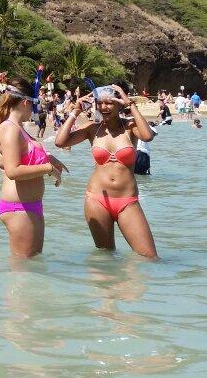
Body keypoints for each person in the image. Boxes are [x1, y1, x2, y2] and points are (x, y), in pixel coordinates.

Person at [55, 85, 158, 258]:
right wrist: (75, 111)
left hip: (127, 201)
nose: (104, 107)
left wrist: (131, 105)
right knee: (105, 257)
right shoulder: (92, 129)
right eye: (100, 103)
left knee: (149, 257)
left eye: (109, 103)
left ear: (119, 104)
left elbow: (148, 136)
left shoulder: (130, 127)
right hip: (97, 200)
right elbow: (60, 142)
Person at [0, 81, 69, 257]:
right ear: (25, 102)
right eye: (34, 105)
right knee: (23, 270)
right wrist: (48, 168)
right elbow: (13, 171)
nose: (34, 110)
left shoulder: (17, 129)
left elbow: (24, 156)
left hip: (28, 206)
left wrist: (49, 158)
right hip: (18, 208)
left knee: (33, 266)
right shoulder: (10, 129)